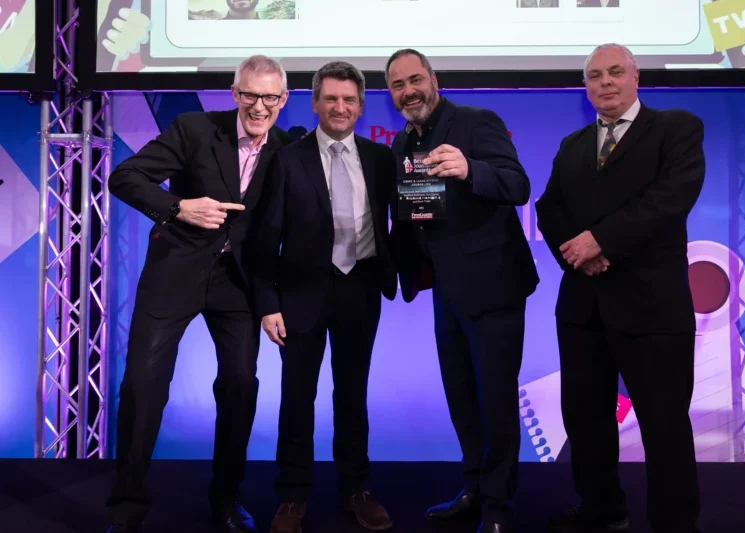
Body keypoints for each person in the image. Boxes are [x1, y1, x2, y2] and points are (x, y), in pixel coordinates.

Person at [105, 55, 293, 533]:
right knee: (143, 385)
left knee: (239, 385)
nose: (259, 105)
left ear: (283, 101)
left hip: (239, 282)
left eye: (270, 97)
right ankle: (127, 507)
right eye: (249, 94)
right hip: (176, 270)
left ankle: (225, 501)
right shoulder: (193, 129)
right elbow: (125, 176)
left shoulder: (288, 149)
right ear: (234, 93)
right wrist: (178, 207)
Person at [535, 43, 704, 533]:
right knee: (586, 424)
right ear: (585, 87)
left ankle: (675, 523)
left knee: (665, 426)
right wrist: (578, 253)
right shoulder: (572, 144)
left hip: (652, 309)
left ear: (635, 77)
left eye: (614, 72)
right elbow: (549, 208)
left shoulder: (676, 129)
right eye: (593, 75)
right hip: (584, 309)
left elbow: (669, 199)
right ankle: (601, 510)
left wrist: (602, 242)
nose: (604, 82)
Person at [384, 49, 539, 533]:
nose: (408, 91)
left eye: (415, 79)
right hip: (445, 293)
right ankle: (473, 487)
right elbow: (411, 215)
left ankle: (497, 508)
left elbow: (517, 185)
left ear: (434, 79)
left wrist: (471, 169)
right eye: (397, 85)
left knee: (494, 401)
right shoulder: (400, 144)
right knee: (462, 400)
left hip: (493, 287)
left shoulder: (476, 122)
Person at [253, 61, 397, 533]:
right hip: (300, 295)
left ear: (360, 106)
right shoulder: (287, 159)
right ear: (315, 103)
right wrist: (268, 301)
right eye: (331, 99)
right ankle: (292, 498)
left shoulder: (380, 158)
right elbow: (265, 235)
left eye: (349, 100)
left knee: (352, 396)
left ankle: (356, 490)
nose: (340, 107)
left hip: (360, 288)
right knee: (297, 398)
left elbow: (405, 221)